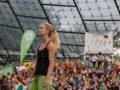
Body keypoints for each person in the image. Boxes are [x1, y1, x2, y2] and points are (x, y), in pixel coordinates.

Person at [27, 22, 60, 90]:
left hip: (44, 76)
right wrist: (30, 77)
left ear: (47, 31)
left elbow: (51, 63)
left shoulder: (51, 45)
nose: (39, 29)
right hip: (37, 76)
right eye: (39, 28)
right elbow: (37, 62)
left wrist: (47, 79)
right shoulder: (39, 45)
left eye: (41, 28)